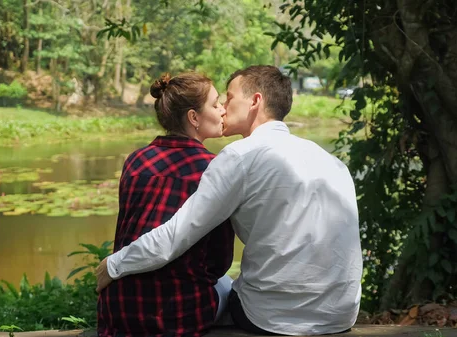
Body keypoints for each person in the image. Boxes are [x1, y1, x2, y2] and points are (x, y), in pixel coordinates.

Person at [96, 65, 363, 335]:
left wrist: (115, 264)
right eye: (218, 102)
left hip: (270, 319)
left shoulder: (239, 156)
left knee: (222, 283)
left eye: (229, 98)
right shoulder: (331, 161)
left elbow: (176, 235)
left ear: (255, 101)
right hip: (341, 313)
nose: (224, 106)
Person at [96, 72, 235, 337]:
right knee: (232, 288)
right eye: (216, 104)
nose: (223, 110)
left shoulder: (136, 160)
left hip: (119, 306)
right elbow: (220, 260)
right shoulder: (214, 168)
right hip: (175, 312)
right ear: (194, 118)